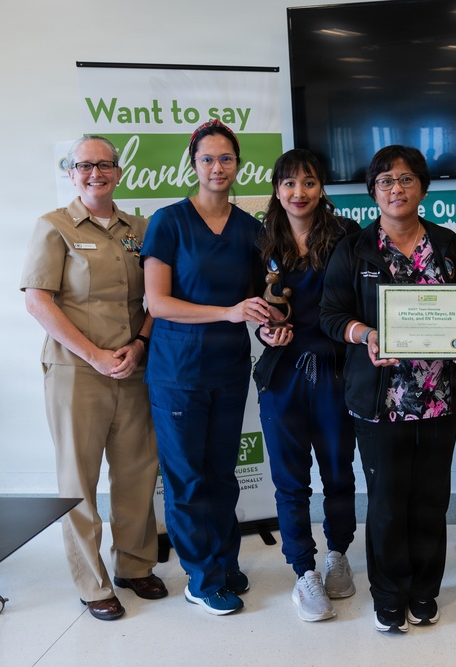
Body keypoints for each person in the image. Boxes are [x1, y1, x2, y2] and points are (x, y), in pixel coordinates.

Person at [320, 145, 456, 633]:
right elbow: (331, 316)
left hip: (439, 398)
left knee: (431, 499)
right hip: (380, 401)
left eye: (407, 179)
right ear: (373, 191)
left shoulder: (448, 244)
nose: (397, 189)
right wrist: (366, 334)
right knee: (388, 502)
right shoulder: (354, 248)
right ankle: (389, 594)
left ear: (423, 187)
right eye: (386, 181)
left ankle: (425, 590)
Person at [20, 135, 166, 622]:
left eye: (104, 165)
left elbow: (156, 297)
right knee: (78, 480)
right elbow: (38, 302)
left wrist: (139, 344)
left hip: (134, 366)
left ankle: (135, 565)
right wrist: (95, 356)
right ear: (71, 173)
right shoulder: (54, 226)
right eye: (84, 166)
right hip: (76, 372)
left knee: (138, 471)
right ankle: (92, 583)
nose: (95, 173)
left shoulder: (140, 229)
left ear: (119, 172)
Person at [140, 119, 270, 616]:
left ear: (238, 165)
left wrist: (273, 317)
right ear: (193, 164)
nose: (218, 167)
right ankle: (201, 578)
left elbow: (260, 296)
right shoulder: (168, 222)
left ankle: (224, 561)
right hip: (178, 371)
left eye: (226, 158)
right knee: (188, 479)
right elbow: (157, 303)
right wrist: (228, 313)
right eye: (208, 159)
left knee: (221, 474)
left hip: (229, 368)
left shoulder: (250, 229)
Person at [252, 149, 360, 622]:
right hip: (283, 375)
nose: (299, 192)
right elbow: (252, 305)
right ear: (277, 190)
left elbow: (361, 300)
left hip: (336, 371)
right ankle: (303, 571)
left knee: (338, 472)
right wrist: (265, 332)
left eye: (309, 182)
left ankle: (338, 554)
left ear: (322, 188)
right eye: (290, 183)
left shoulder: (347, 235)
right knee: (290, 481)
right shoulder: (260, 240)